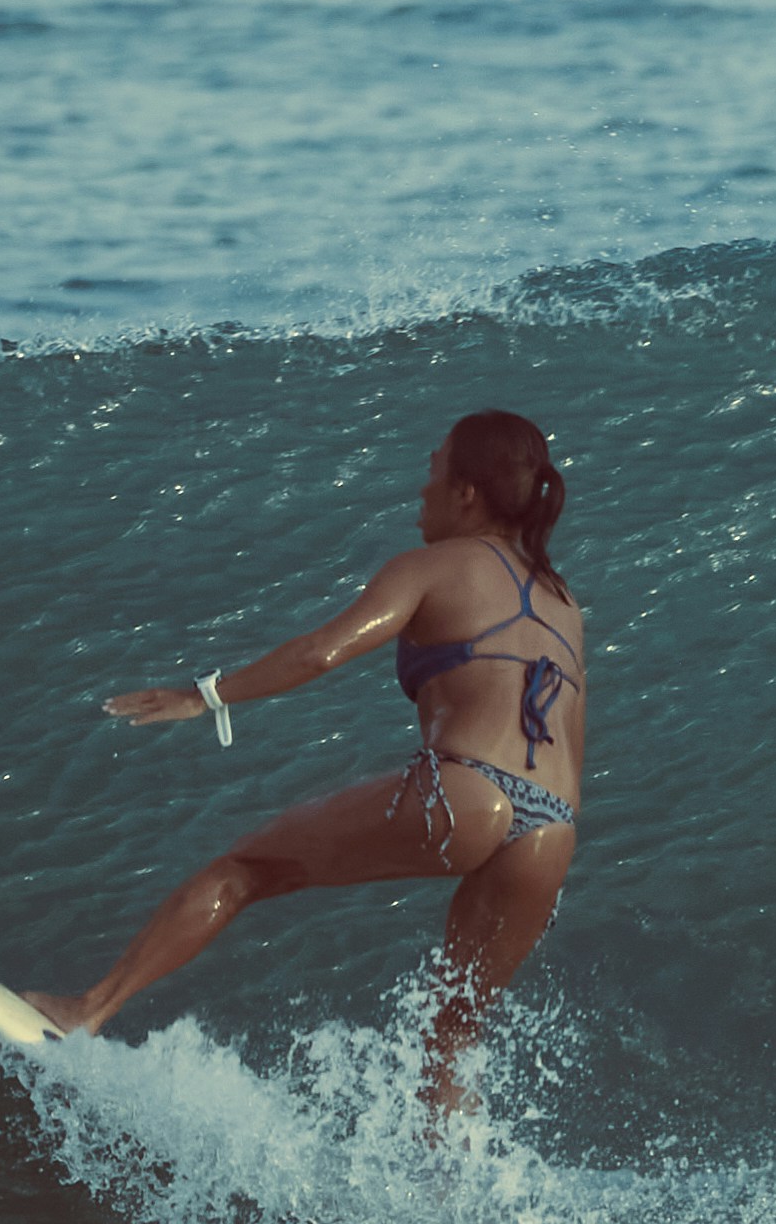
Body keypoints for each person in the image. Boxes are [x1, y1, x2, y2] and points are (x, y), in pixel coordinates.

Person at [29, 410, 587, 1107]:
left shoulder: (431, 566)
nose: (421, 490)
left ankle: (88, 1009)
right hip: (549, 832)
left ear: (467, 492)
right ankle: (443, 1197)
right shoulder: (564, 603)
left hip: (470, 792)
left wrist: (206, 696)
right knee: (452, 1036)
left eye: (433, 471)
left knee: (239, 871)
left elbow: (322, 649)